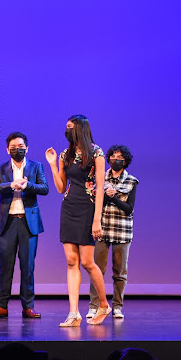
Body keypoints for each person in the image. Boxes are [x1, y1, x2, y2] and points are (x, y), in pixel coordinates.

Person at [45, 115, 111, 327]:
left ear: (80, 129)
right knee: (72, 261)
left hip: (88, 208)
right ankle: (74, 313)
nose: (67, 130)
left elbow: (100, 187)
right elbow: (61, 188)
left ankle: (104, 305)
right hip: (69, 207)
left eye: (70, 127)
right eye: (66, 127)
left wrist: (97, 220)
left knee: (87, 262)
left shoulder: (97, 153)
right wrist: (53, 165)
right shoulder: (66, 154)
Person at [0, 132, 49, 319]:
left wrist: (27, 186)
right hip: (8, 222)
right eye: (13, 147)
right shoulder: (1, 167)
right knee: (5, 265)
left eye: (20, 147)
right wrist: (11, 185)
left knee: (27, 266)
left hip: (29, 223)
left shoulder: (36, 166)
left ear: (27, 148)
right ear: (7, 149)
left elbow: (44, 188)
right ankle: (1, 305)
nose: (17, 150)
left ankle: (28, 306)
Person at [87, 145, 138, 319]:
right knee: (97, 269)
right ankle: (94, 305)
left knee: (120, 272)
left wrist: (113, 197)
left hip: (122, 231)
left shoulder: (131, 181)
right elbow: (93, 202)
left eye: (120, 157)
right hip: (102, 229)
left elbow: (129, 209)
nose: (116, 159)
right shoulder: (99, 178)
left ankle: (117, 306)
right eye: (113, 156)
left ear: (125, 161)